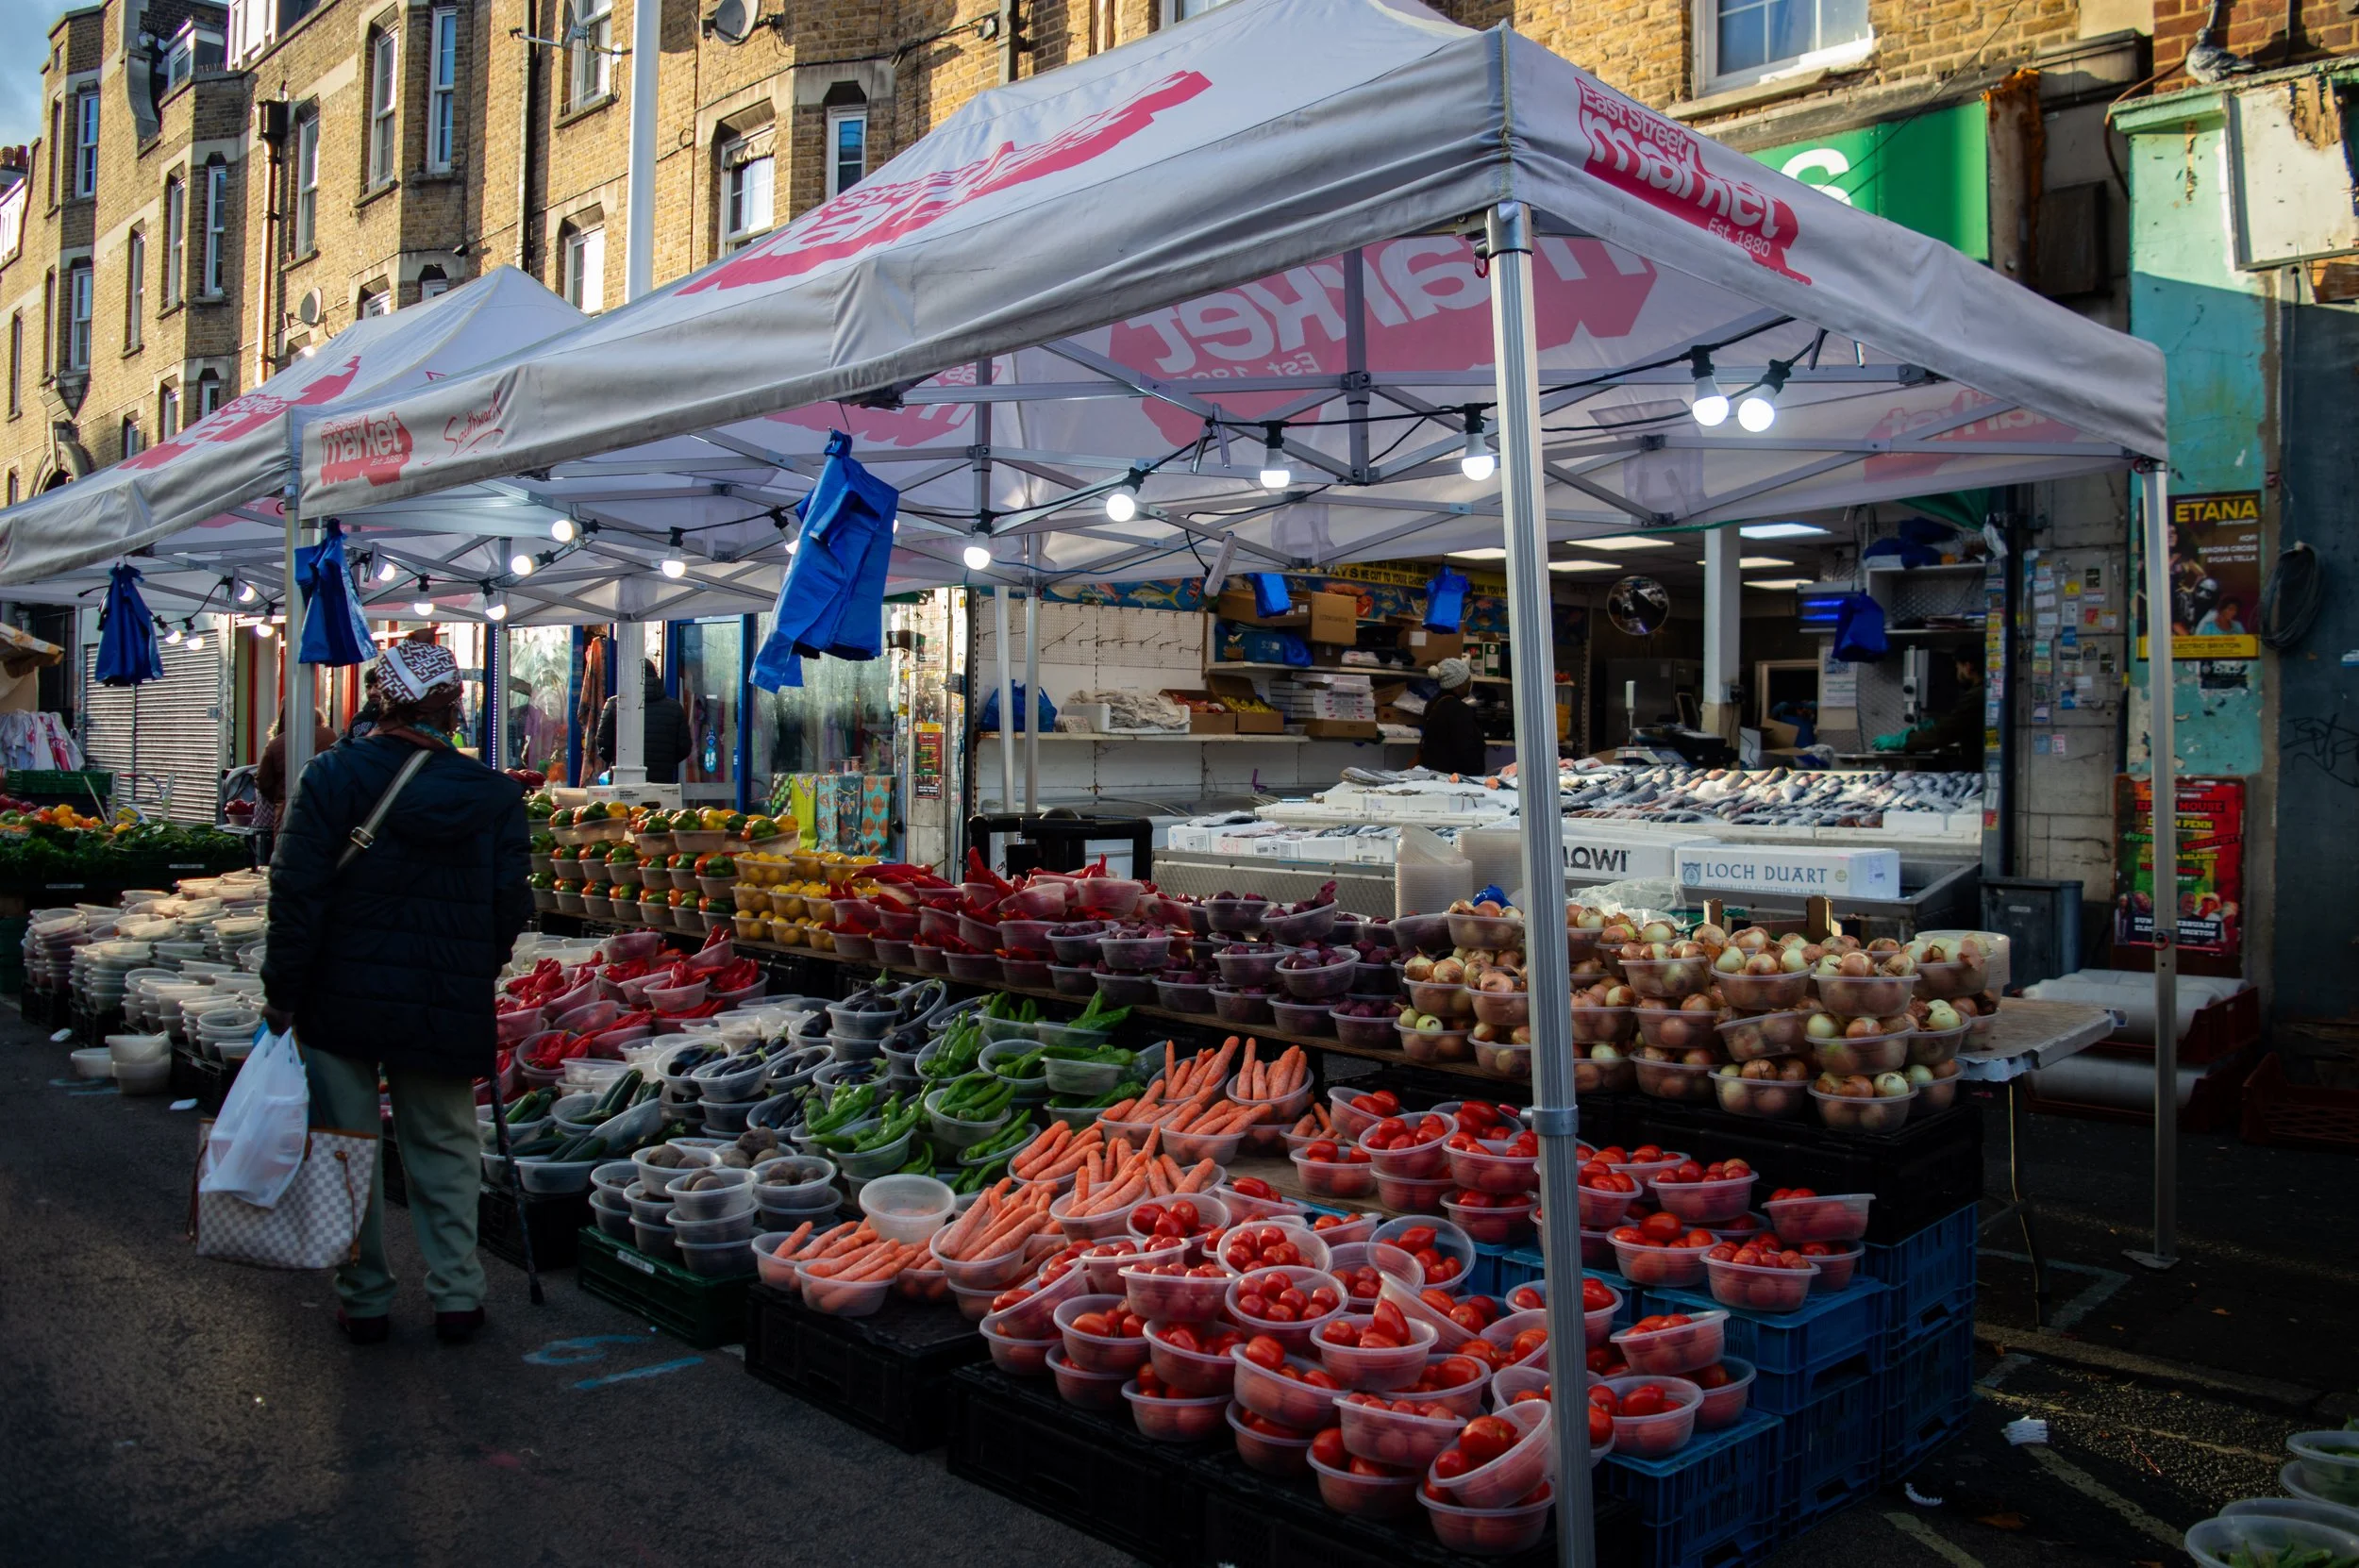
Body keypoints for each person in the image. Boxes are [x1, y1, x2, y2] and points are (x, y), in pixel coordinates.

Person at [260, 640, 532, 1346]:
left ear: (380, 701)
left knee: (348, 1146)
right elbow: (511, 904)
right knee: (444, 1143)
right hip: (443, 998)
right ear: (453, 707)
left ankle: (366, 1296)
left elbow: (295, 893)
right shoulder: (494, 795)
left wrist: (281, 991)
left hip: (339, 991)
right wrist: (478, 967)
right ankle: (457, 1295)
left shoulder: (330, 778)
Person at [594, 659, 693, 783]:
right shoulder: (675, 708)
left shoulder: (615, 704)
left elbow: (603, 743)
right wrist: (664, 762)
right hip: (661, 780)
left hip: (623, 780)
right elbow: (684, 747)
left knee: (623, 803)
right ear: (655, 675)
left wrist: (617, 760)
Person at [251, 709, 338, 839]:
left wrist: (278, 797)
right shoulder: (331, 737)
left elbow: (263, 780)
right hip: (328, 808)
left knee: (288, 852)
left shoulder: (276, 743)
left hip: (287, 811)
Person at [1899, 651, 1985, 756]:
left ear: (1968, 667)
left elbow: (1946, 732)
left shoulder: (1976, 695)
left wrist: (1906, 741)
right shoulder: (1983, 691)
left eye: (1958, 667)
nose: (1957, 673)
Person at [1416, 657, 1489, 776]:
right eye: (1467, 679)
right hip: (1454, 777)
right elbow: (1466, 749)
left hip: (1434, 773)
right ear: (1458, 685)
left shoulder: (1433, 703)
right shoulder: (1459, 709)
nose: (1470, 683)